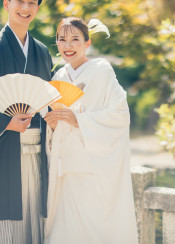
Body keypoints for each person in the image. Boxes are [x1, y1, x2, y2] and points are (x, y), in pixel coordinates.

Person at [44, 17, 138, 244]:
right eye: (62, 39)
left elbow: (120, 115)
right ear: (56, 43)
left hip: (93, 169)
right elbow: (55, 130)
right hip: (65, 168)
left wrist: (80, 120)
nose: (68, 45)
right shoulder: (57, 77)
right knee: (64, 232)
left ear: (87, 43)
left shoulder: (101, 70)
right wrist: (54, 127)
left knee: (95, 230)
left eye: (75, 39)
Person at [0, 0, 53, 243]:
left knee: (35, 219)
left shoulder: (42, 52)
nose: (26, 7)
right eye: (20, 0)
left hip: (36, 149)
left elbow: (49, 100)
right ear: (7, 4)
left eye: (32, 2)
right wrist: (6, 123)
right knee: (7, 220)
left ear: (38, 9)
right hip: (4, 147)